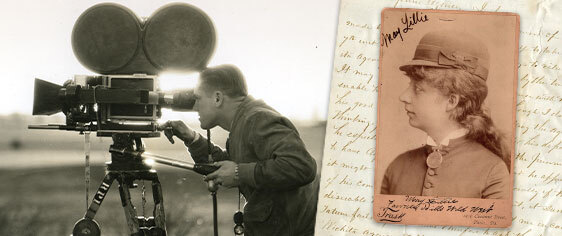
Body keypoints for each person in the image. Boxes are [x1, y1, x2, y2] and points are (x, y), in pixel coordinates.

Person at [160, 64, 319, 235]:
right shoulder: (243, 123)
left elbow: (301, 166)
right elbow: (227, 165)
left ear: (217, 98)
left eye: (198, 98)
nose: (195, 106)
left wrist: (238, 173)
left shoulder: (257, 119)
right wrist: (192, 138)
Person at [380, 30, 511, 199]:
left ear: (451, 101)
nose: (403, 97)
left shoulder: (492, 173)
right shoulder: (397, 168)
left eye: (418, 89)